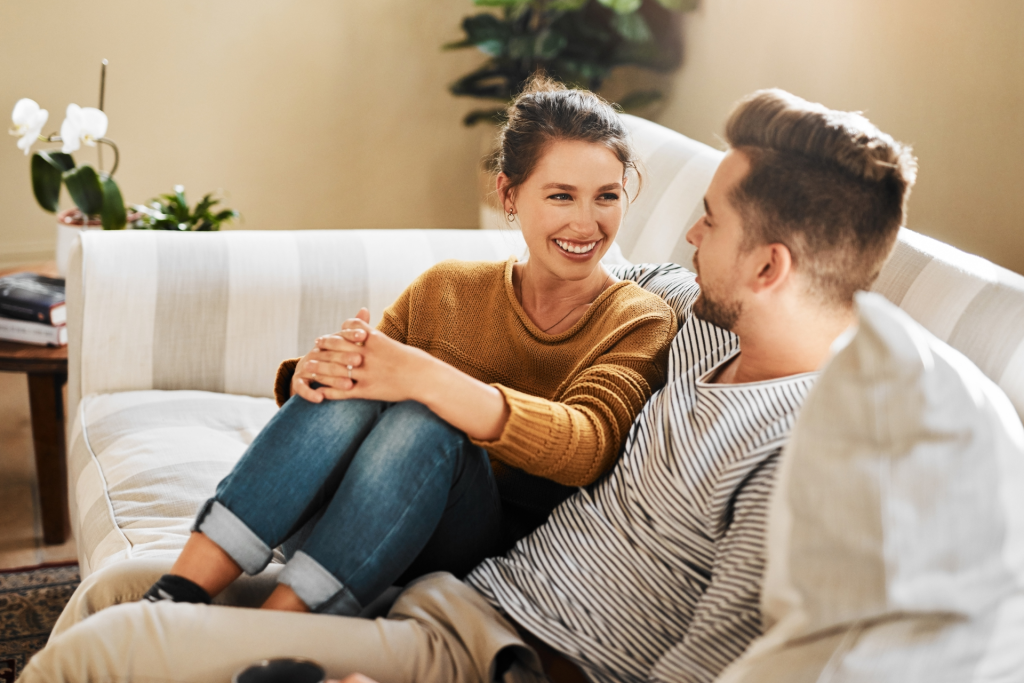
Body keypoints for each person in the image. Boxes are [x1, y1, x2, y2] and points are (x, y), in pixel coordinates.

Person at [20, 88, 917, 683]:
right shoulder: (693, 323)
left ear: (767, 266)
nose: (683, 231)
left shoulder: (802, 453)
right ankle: (213, 606)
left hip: (495, 650)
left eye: (709, 221)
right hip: (463, 585)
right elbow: (553, 278)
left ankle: (253, 628)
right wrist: (327, 366)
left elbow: (707, 664)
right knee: (116, 590)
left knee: (125, 645)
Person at [138, 76, 678, 617]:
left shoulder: (637, 319)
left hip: (459, 547)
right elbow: (358, 393)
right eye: (561, 195)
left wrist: (427, 380)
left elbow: (586, 446)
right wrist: (313, 371)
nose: (586, 223)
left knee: (428, 421)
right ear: (509, 194)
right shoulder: (447, 287)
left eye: (606, 197)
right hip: (333, 526)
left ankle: (275, 627)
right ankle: (175, 596)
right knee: (364, 370)